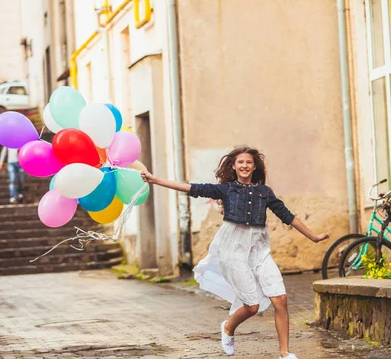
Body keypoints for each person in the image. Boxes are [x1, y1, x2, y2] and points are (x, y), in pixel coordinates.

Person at [141, 146, 329, 359]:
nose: (245, 166)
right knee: (252, 307)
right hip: (234, 251)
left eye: (249, 162)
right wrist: (155, 180)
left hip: (259, 250)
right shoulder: (226, 189)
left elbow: (287, 215)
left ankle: (285, 353)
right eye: (240, 162)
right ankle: (228, 328)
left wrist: (313, 236)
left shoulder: (265, 193)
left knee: (281, 299)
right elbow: (191, 188)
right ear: (233, 166)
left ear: (254, 166)